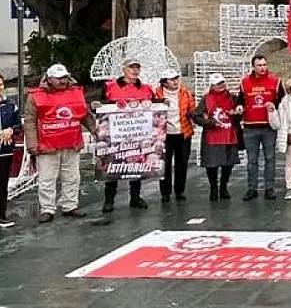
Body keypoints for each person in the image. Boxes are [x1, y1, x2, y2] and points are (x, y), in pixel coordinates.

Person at [26, 64, 97, 222]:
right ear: (49, 79)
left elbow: (84, 114)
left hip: (71, 141)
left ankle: (70, 205)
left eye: (64, 77)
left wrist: (94, 130)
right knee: (47, 178)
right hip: (47, 144)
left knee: (72, 176)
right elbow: (30, 122)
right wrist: (32, 144)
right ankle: (47, 208)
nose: (62, 81)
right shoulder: (35, 96)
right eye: (58, 78)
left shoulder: (76, 92)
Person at [100, 58, 156, 213]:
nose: (135, 70)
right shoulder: (110, 86)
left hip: (138, 132)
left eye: (137, 67)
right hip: (117, 133)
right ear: (124, 69)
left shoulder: (146, 88)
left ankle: (135, 197)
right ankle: (109, 200)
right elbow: (102, 104)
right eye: (132, 67)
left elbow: (154, 105)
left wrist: (162, 102)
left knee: (136, 166)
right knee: (113, 166)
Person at [237, 55, 284, 201]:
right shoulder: (245, 82)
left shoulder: (276, 81)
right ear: (253, 67)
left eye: (264, 64)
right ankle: (252, 188)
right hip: (250, 126)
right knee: (252, 160)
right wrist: (239, 107)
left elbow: (282, 102)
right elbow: (240, 100)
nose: (262, 67)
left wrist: (274, 106)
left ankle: (269, 188)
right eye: (259, 65)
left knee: (270, 158)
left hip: (268, 126)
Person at [154, 69, 196, 205]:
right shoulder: (156, 94)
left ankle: (179, 191)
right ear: (164, 82)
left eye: (176, 78)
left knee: (182, 163)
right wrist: (159, 102)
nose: (175, 82)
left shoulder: (185, 93)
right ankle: (165, 193)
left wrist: (196, 117)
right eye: (172, 79)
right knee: (165, 165)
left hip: (183, 133)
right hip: (164, 135)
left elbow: (192, 110)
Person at [0, 75, 21, 227]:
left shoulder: (11, 105)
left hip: (5, 151)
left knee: (2, 185)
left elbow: (19, 125)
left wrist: (10, 130)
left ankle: (2, 216)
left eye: (0, 84)